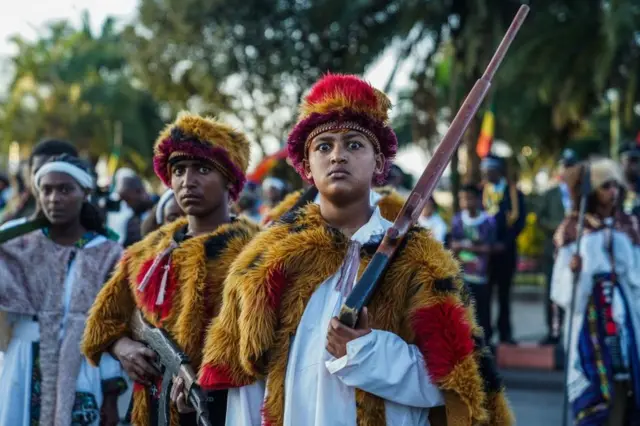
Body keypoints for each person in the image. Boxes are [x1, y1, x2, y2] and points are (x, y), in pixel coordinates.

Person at [197, 74, 512, 426]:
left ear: (379, 163)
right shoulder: (267, 260)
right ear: (306, 165)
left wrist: (367, 352)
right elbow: (246, 384)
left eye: (354, 144)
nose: (337, 156)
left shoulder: (422, 260)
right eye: (324, 146)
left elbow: (454, 384)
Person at [81, 113, 261, 426]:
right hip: (150, 409)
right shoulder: (147, 251)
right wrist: (123, 347)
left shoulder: (258, 251)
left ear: (230, 180)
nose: (187, 181)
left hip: (232, 409)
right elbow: (104, 320)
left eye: (203, 170)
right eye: (178, 170)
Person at [0, 154, 126, 426]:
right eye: (46, 190)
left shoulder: (108, 253)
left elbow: (111, 326)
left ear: (85, 193)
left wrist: (111, 396)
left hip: (82, 368)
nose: (54, 198)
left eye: (65, 189)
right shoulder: (16, 245)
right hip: (21, 366)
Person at [552, 158, 640, 425]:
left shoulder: (630, 226)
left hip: (626, 321)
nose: (612, 192)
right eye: (605, 187)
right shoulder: (571, 231)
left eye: (615, 186)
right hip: (590, 325)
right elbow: (561, 291)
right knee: (597, 399)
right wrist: (574, 270)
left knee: (627, 390)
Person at [481, 154, 526, 344]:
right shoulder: (480, 192)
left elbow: (520, 222)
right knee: (485, 295)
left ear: (498, 171)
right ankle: (485, 333)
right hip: (485, 253)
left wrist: (503, 244)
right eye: (484, 171)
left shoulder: (514, 193)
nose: (487, 175)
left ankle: (505, 333)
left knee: (504, 295)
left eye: (490, 171)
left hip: (505, 251)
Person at [537, 149, 578, 345]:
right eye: (566, 166)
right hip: (553, 250)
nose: (568, 170)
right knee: (552, 291)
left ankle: (573, 332)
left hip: (577, 251)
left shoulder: (582, 194)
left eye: (571, 166)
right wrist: (561, 229)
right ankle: (553, 332)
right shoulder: (550, 193)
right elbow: (540, 219)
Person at [450, 184, 497, 337]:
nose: (466, 202)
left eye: (469, 198)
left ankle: (485, 346)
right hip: (462, 275)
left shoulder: (488, 221)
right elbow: (453, 246)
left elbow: (489, 248)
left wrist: (465, 246)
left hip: (482, 276)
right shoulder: (457, 220)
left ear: (477, 200)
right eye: (463, 199)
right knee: (463, 312)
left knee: (482, 314)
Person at [1, 139, 78, 227]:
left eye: (57, 171)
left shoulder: (95, 238)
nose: (48, 180)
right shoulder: (10, 234)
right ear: (28, 176)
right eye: (39, 172)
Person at [619, 139, 640, 217]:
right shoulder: (613, 187)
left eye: (636, 160)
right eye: (630, 160)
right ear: (621, 161)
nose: (634, 165)